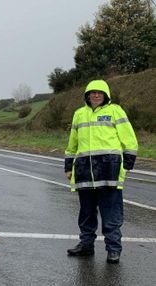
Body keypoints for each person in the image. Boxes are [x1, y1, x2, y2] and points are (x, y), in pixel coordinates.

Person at [64, 79, 138, 264]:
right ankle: (86, 245)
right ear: (87, 95)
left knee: (111, 214)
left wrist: (128, 163)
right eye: (92, 92)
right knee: (86, 213)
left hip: (109, 170)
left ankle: (113, 249)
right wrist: (68, 165)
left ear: (105, 95)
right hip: (84, 171)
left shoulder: (115, 111)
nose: (96, 95)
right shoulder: (79, 114)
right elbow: (72, 143)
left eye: (99, 92)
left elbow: (129, 139)